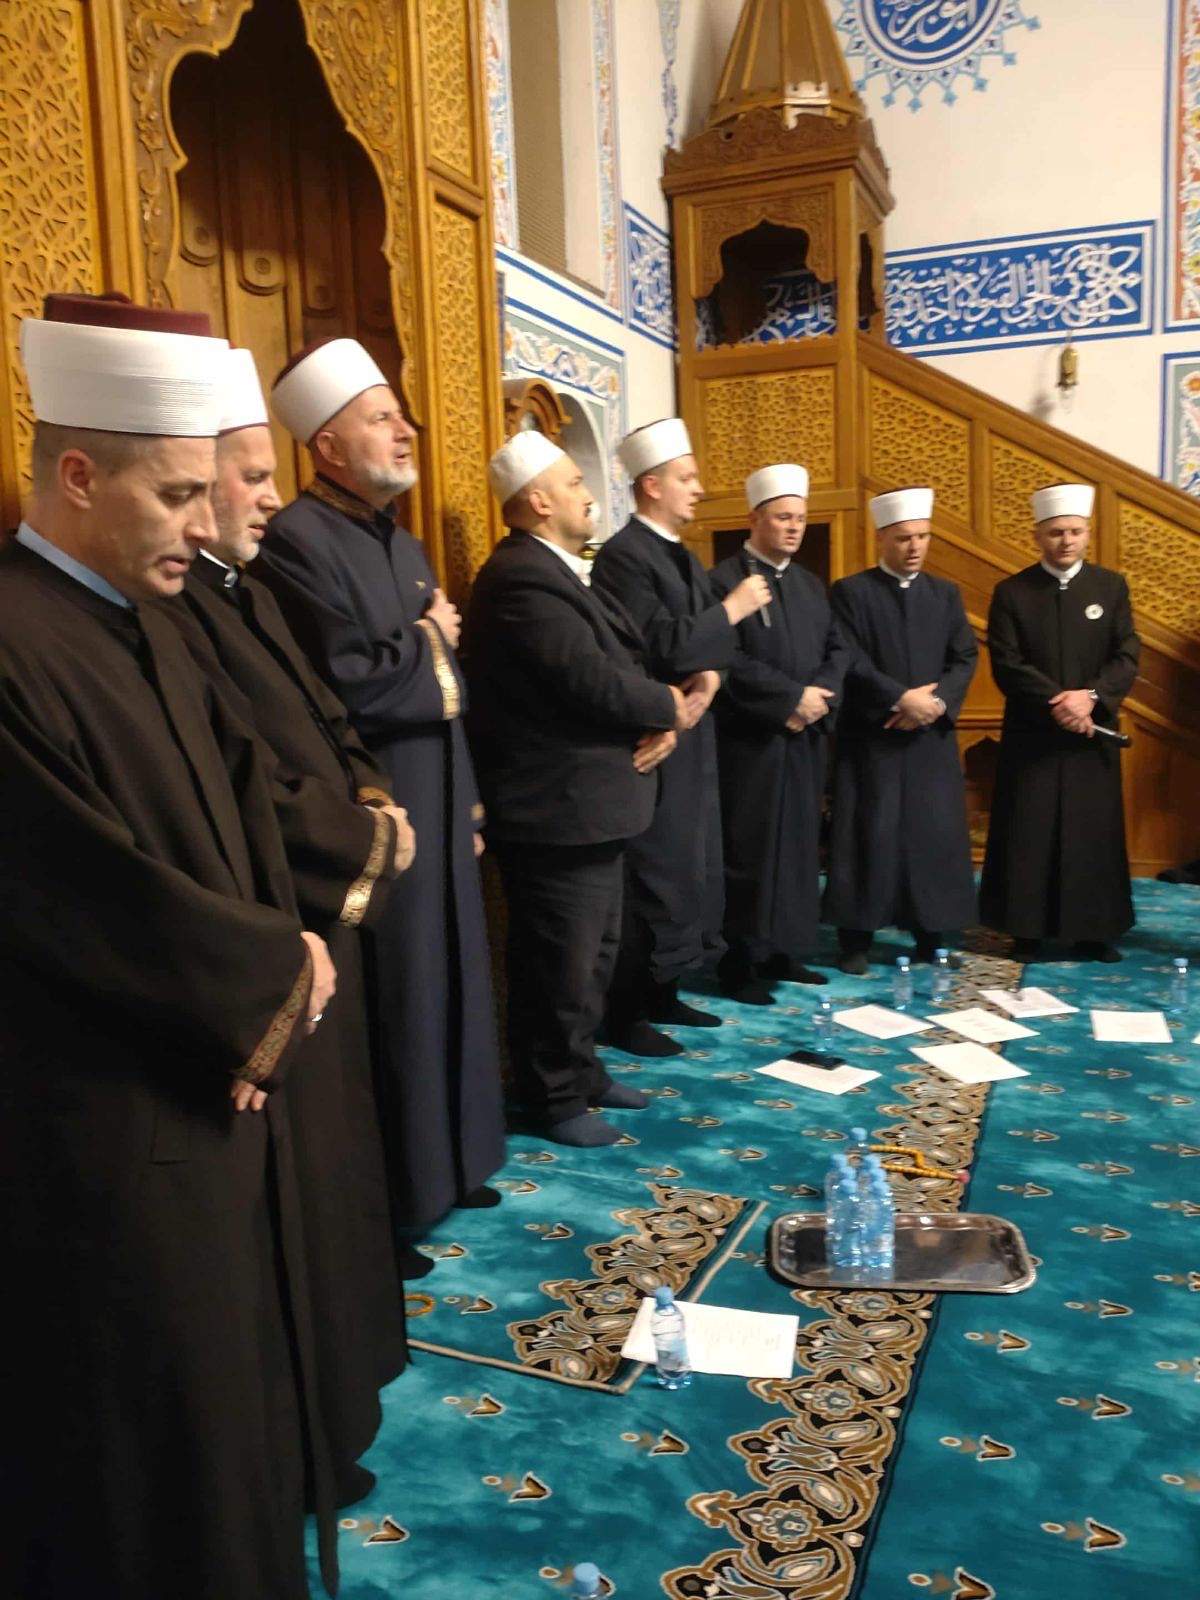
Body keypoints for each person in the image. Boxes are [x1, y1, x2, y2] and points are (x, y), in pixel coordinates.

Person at [0, 294, 340, 1600]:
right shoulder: (15, 641)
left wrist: (290, 943)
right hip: (110, 1128)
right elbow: (81, 889)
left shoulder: (147, 618)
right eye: (179, 493)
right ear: (81, 476)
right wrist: (267, 981)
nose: (207, 526)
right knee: (153, 1449)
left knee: (231, 1418)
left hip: (211, 1091)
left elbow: (250, 793)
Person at [158, 346, 417, 1498]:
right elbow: (250, 776)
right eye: (250, 477)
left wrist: (372, 801)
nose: (270, 499)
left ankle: (339, 1412)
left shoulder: (248, 589)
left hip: (325, 921)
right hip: (280, 928)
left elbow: (330, 725)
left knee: (341, 1180)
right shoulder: (175, 612)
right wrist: (368, 840)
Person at [257, 337, 504, 1264]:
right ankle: (403, 1195)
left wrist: (469, 805)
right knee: (402, 994)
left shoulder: (401, 540)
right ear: (326, 445)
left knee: (454, 977)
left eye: (401, 415)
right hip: (380, 806)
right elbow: (346, 680)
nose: (406, 431)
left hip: (440, 797)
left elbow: (448, 696)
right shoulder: (295, 541)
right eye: (381, 419)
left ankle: (457, 1161)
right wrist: (431, 639)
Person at [466, 431, 684, 1145]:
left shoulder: (559, 570)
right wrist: (669, 706)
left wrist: (656, 710)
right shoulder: (520, 578)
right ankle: (553, 1097)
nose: (589, 494)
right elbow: (588, 681)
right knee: (559, 965)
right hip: (556, 812)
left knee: (593, 957)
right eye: (573, 482)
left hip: (593, 808)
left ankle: (582, 1071)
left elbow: (622, 663)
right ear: (538, 500)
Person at [590, 417, 772, 1054]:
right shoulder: (623, 557)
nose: (698, 489)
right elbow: (659, 644)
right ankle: (627, 1010)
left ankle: (665, 990)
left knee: (691, 867)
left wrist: (712, 681)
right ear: (651, 485)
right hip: (653, 736)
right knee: (652, 873)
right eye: (687, 478)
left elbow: (711, 651)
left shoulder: (682, 556)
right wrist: (734, 608)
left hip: (694, 732)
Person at [709, 463, 851, 1002]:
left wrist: (817, 698)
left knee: (798, 847)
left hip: (805, 737)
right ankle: (740, 963)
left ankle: (786, 951)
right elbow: (727, 658)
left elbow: (839, 650)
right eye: (783, 517)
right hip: (752, 742)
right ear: (755, 518)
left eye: (799, 519)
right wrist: (788, 699)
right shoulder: (723, 581)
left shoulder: (811, 585)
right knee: (750, 848)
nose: (793, 528)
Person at [981, 483, 1140, 961]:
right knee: (1029, 830)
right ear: (1037, 536)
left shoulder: (1110, 587)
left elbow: (1126, 655)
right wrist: (1059, 703)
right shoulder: (1012, 592)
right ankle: (1025, 932)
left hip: (1092, 733)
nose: (1066, 540)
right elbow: (1007, 663)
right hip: (1034, 735)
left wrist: (1090, 698)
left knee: (1091, 832)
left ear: (1088, 533)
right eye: (1056, 532)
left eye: (1075, 531)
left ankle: (1094, 931)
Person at [824, 487, 978, 973]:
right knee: (868, 832)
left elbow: (964, 657)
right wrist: (900, 698)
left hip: (930, 738)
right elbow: (849, 658)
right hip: (874, 737)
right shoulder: (851, 592)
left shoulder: (945, 594)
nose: (915, 547)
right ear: (882, 539)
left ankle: (932, 934)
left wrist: (935, 703)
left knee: (931, 836)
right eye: (904, 538)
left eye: (922, 537)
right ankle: (856, 939)